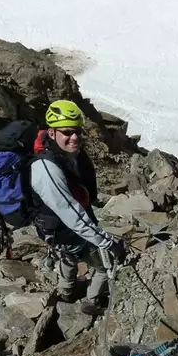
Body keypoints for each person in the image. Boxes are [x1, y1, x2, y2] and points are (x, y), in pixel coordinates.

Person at [29, 99, 127, 316]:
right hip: (65, 228)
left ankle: (67, 290)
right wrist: (106, 242)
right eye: (67, 132)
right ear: (52, 132)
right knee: (104, 263)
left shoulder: (62, 155)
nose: (74, 137)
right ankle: (92, 302)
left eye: (78, 132)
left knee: (68, 255)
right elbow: (70, 213)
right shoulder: (45, 167)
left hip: (56, 229)